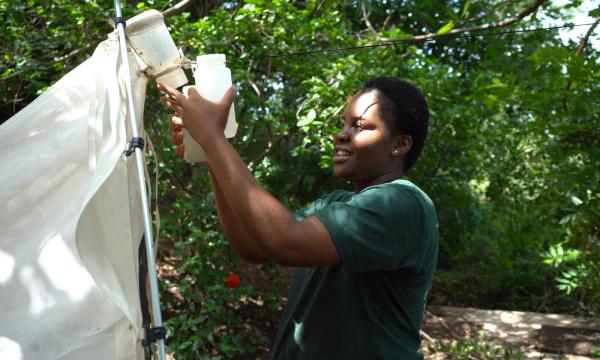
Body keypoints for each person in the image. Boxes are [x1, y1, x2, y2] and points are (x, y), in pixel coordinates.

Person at [158, 76, 439, 359]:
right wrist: (212, 154)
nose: (341, 134)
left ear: (400, 145)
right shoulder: (337, 203)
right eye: (343, 124)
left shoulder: (401, 202)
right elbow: (254, 246)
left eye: (360, 126)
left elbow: (283, 242)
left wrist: (212, 137)